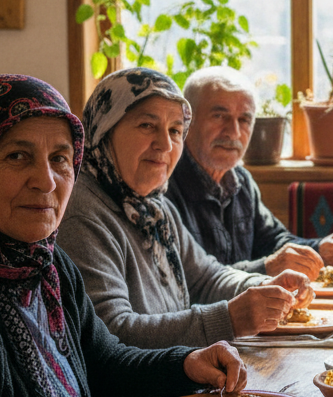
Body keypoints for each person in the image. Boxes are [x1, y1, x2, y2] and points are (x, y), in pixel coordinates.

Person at [0, 74, 249, 397]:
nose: (45, 181)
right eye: (17, 156)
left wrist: (185, 364)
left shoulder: (47, 267)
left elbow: (104, 362)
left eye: (60, 159)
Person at [58, 68, 311, 348]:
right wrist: (230, 319)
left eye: (175, 130)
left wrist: (262, 286)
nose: (165, 144)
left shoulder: (154, 207)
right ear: (105, 129)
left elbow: (205, 278)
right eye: (147, 125)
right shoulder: (82, 212)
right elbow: (113, 334)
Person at [166, 67, 333, 278]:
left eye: (244, 120)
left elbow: (274, 242)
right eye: (219, 116)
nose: (234, 132)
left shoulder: (240, 181)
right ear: (186, 121)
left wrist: (321, 249)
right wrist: (266, 267)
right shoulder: (165, 187)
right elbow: (190, 282)